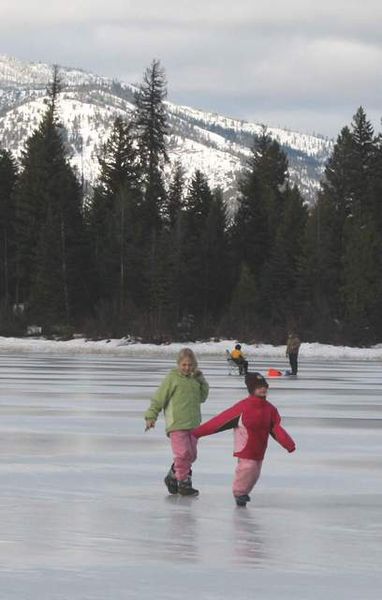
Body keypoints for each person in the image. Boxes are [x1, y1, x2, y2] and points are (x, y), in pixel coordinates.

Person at [192, 372, 295, 507]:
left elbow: (276, 429)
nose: (262, 389)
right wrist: (197, 432)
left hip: (259, 448)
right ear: (252, 389)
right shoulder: (243, 407)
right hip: (245, 447)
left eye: (264, 386)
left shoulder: (270, 409)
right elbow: (219, 421)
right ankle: (239, 493)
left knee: (255, 472)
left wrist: (289, 444)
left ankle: (244, 492)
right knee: (247, 467)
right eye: (258, 387)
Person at [144, 348, 209, 497]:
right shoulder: (172, 378)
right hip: (177, 424)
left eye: (191, 365)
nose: (187, 368)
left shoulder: (195, 379)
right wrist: (151, 416)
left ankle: (172, 476)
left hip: (193, 424)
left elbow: (203, 397)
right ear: (178, 364)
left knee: (191, 455)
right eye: (184, 365)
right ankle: (184, 483)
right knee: (182, 454)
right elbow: (159, 398)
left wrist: (201, 379)